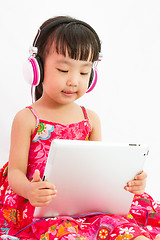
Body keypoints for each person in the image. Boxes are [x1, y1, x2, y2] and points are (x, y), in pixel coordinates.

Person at [0, 16, 160, 240]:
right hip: (45, 209)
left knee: (129, 231)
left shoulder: (90, 119)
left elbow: (99, 170)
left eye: (84, 72)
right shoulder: (27, 118)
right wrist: (29, 190)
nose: (74, 81)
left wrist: (131, 180)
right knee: (69, 234)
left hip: (88, 206)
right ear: (37, 69)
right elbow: (15, 172)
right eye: (63, 70)